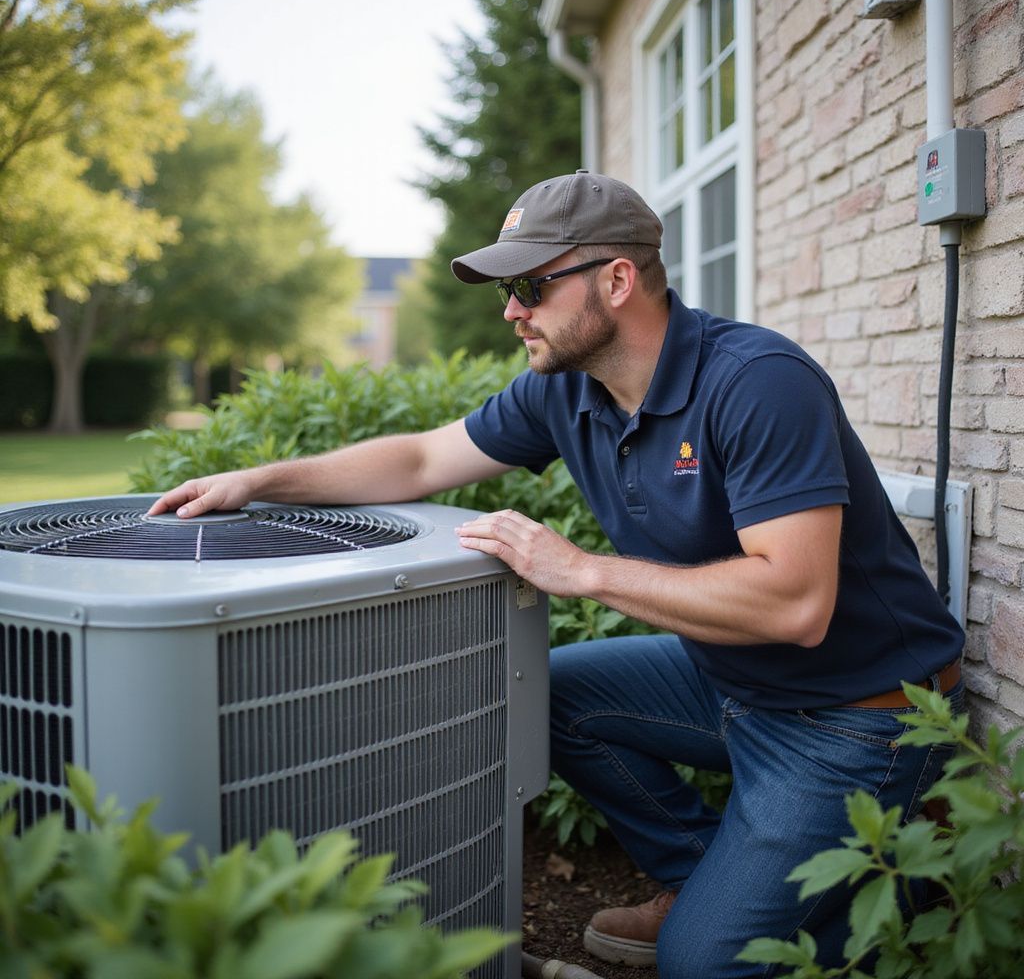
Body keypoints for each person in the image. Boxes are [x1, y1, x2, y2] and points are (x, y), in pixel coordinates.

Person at [149, 170, 965, 979]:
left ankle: (917, 899)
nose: (511, 311)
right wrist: (259, 482)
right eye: (508, 289)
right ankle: (704, 877)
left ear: (615, 281)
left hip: (857, 713)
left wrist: (578, 570)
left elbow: (797, 604)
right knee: (547, 696)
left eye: (532, 286)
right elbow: (424, 456)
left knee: (704, 967)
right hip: (738, 682)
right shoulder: (567, 391)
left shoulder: (756, 383)